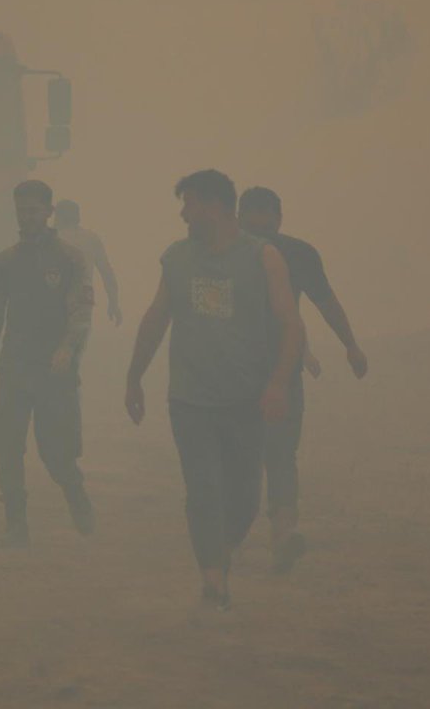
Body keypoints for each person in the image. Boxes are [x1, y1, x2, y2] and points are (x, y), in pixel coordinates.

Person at [125, 170, 302, 610]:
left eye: (190, 204)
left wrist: (279, 383)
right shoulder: (177, 258)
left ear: (218, 206)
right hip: (190, 399)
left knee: (244, 497)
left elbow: (289, 324)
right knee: (203, 488)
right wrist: (134, 376)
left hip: (247, 398)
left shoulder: (263, 257)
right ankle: (213, 580)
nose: (184, 214)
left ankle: (219, 555)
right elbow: (155, 319)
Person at [0, 180, 96, 549]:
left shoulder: (70, 259)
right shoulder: (5, 262)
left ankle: (76, 495)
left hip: (55, 372)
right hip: (14, 369)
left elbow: (81, 312)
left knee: (56, 453)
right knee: (5, 445)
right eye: (21, 211)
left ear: (49, 212)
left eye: (34, 210)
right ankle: (16, 526)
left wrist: (68, 349)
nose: (27, 217)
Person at [238, 186, 367, 573]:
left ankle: (257, 536)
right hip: (276, 369)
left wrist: (350, 344)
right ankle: (280, 532)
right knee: (278, 456)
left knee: (250, 456)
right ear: (278, 218)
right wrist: (350, 346)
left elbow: (320, 303)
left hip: (245, 371)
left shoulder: (229, 250)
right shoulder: (294, 251)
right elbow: (324, 303)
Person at [53, 200, 122, 326]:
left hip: (55, 297)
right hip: (83, 296)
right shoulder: (91, 238)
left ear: (58, 217)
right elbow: (107, 273)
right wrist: (113, 302)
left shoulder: (51, 238)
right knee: (77, 341)